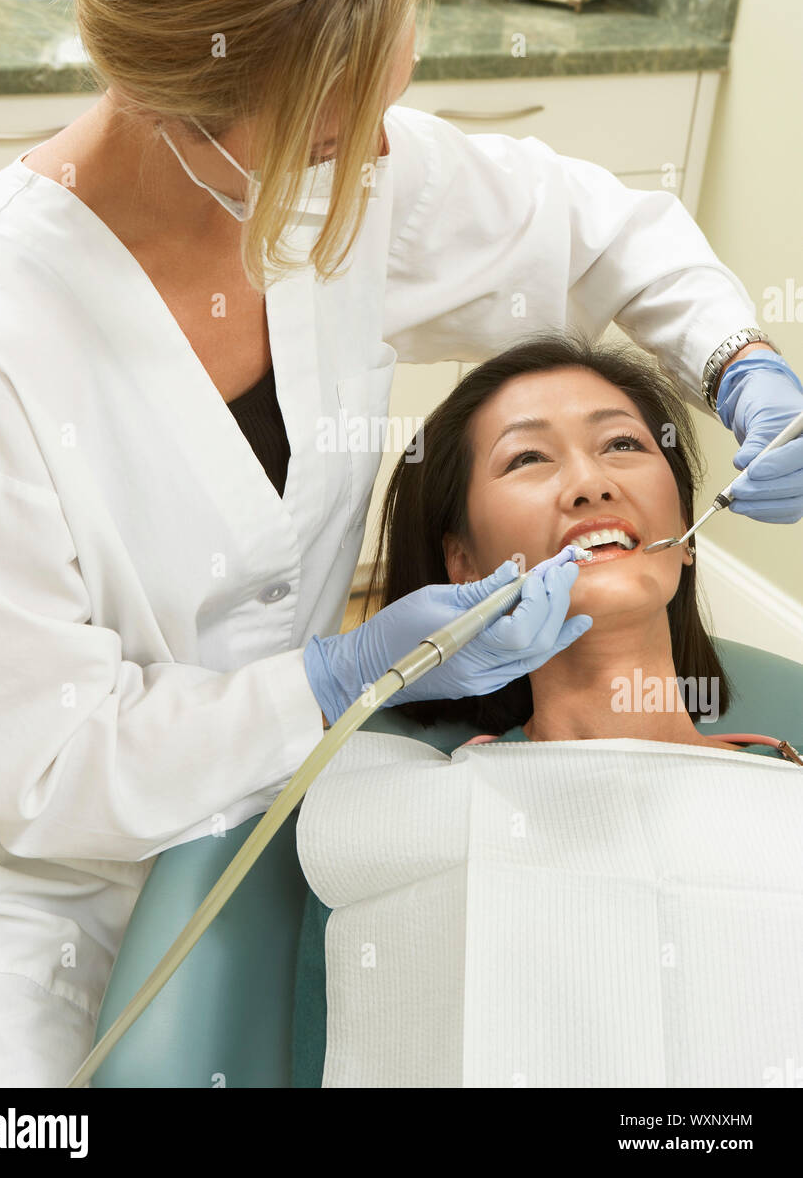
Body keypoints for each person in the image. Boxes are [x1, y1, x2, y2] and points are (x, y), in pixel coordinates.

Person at [0, 0, 800, 1087]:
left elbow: (599, 231)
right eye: (344, 122)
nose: (383, 151)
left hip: (294, 806)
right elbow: (51, 766)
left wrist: (739, 359)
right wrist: (339, 677)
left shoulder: (344, 178)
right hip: (49, 889)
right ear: (198, 115)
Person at [293, 332, 803, 1088]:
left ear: (687, 535)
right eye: (528, 458)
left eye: (624, 443)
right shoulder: (387, 815)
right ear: (462, 562)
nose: (590, 484)